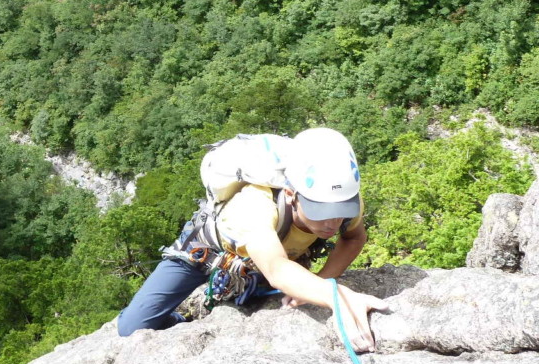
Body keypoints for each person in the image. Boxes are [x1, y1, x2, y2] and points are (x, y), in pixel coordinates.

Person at [117, 128, 389, 352]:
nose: (332, 223)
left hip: (264, 263)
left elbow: (353, 237)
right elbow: (276, 268)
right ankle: (180, 321)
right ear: (292, 195)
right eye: (321, 212)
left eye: (341, 212)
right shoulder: (255, 206)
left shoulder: (339, 198)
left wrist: (323, 280)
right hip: (204, 253)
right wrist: (335, 296)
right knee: (132, 327)